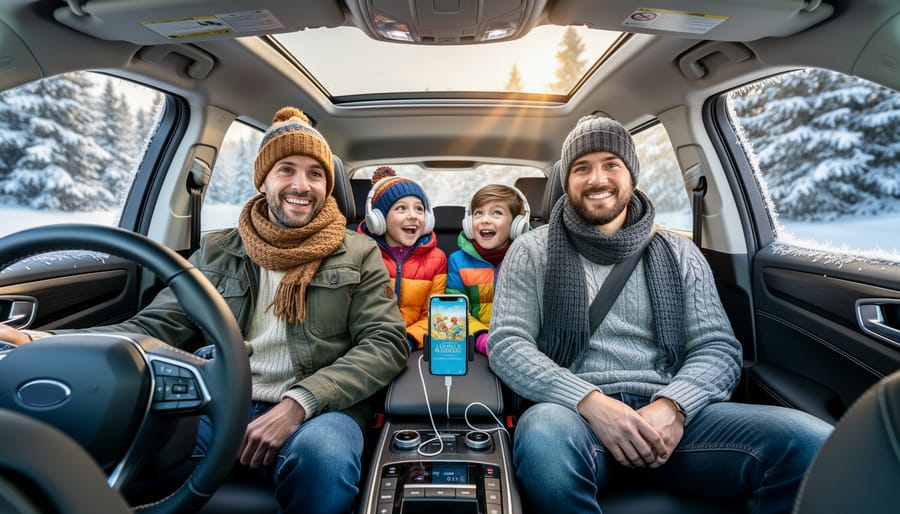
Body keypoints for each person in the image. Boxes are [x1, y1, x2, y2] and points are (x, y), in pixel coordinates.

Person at [0, 106, 409, 514]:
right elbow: (156, 326)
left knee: (324, 460)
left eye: (315, 174)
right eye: (286, 169)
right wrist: (39, 340)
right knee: (120, 443)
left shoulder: (358, 251)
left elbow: (385, 341)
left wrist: (299, 403)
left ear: (328, 185)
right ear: (263, 180)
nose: (301, 185)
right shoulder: (217, 250)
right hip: (218, 398)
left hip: (321, 408)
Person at [487, 115, 834, 514]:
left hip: (672, 417)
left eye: (610, 164)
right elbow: (508, 345)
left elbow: (717, 349)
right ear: (566, 180)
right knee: (543, 437)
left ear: (631, 173)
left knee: (810, 442)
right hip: (575, 418)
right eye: (582, 168)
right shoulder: (532, 250)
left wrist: (673, 407)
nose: (597, 178)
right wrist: (589, 401)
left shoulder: (679, 251)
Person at [357, 167, 447, 350]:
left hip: (413, 345)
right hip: (368, 346)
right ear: (378, 219)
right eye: (401, 208)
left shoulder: (437, 259)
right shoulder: (361, 253)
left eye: (419, 209)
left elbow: (435, 316)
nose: (413, 215)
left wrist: (408, 340)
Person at [446, 184, 530, 355]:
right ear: (469, 223)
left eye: (496, 213)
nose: (484, 220)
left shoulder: (531, 258)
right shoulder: (458, 261)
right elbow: (456, 313)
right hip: (475, 342)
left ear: (516, 224)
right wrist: (481, 338)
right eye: (478, 213)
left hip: (521, 345)